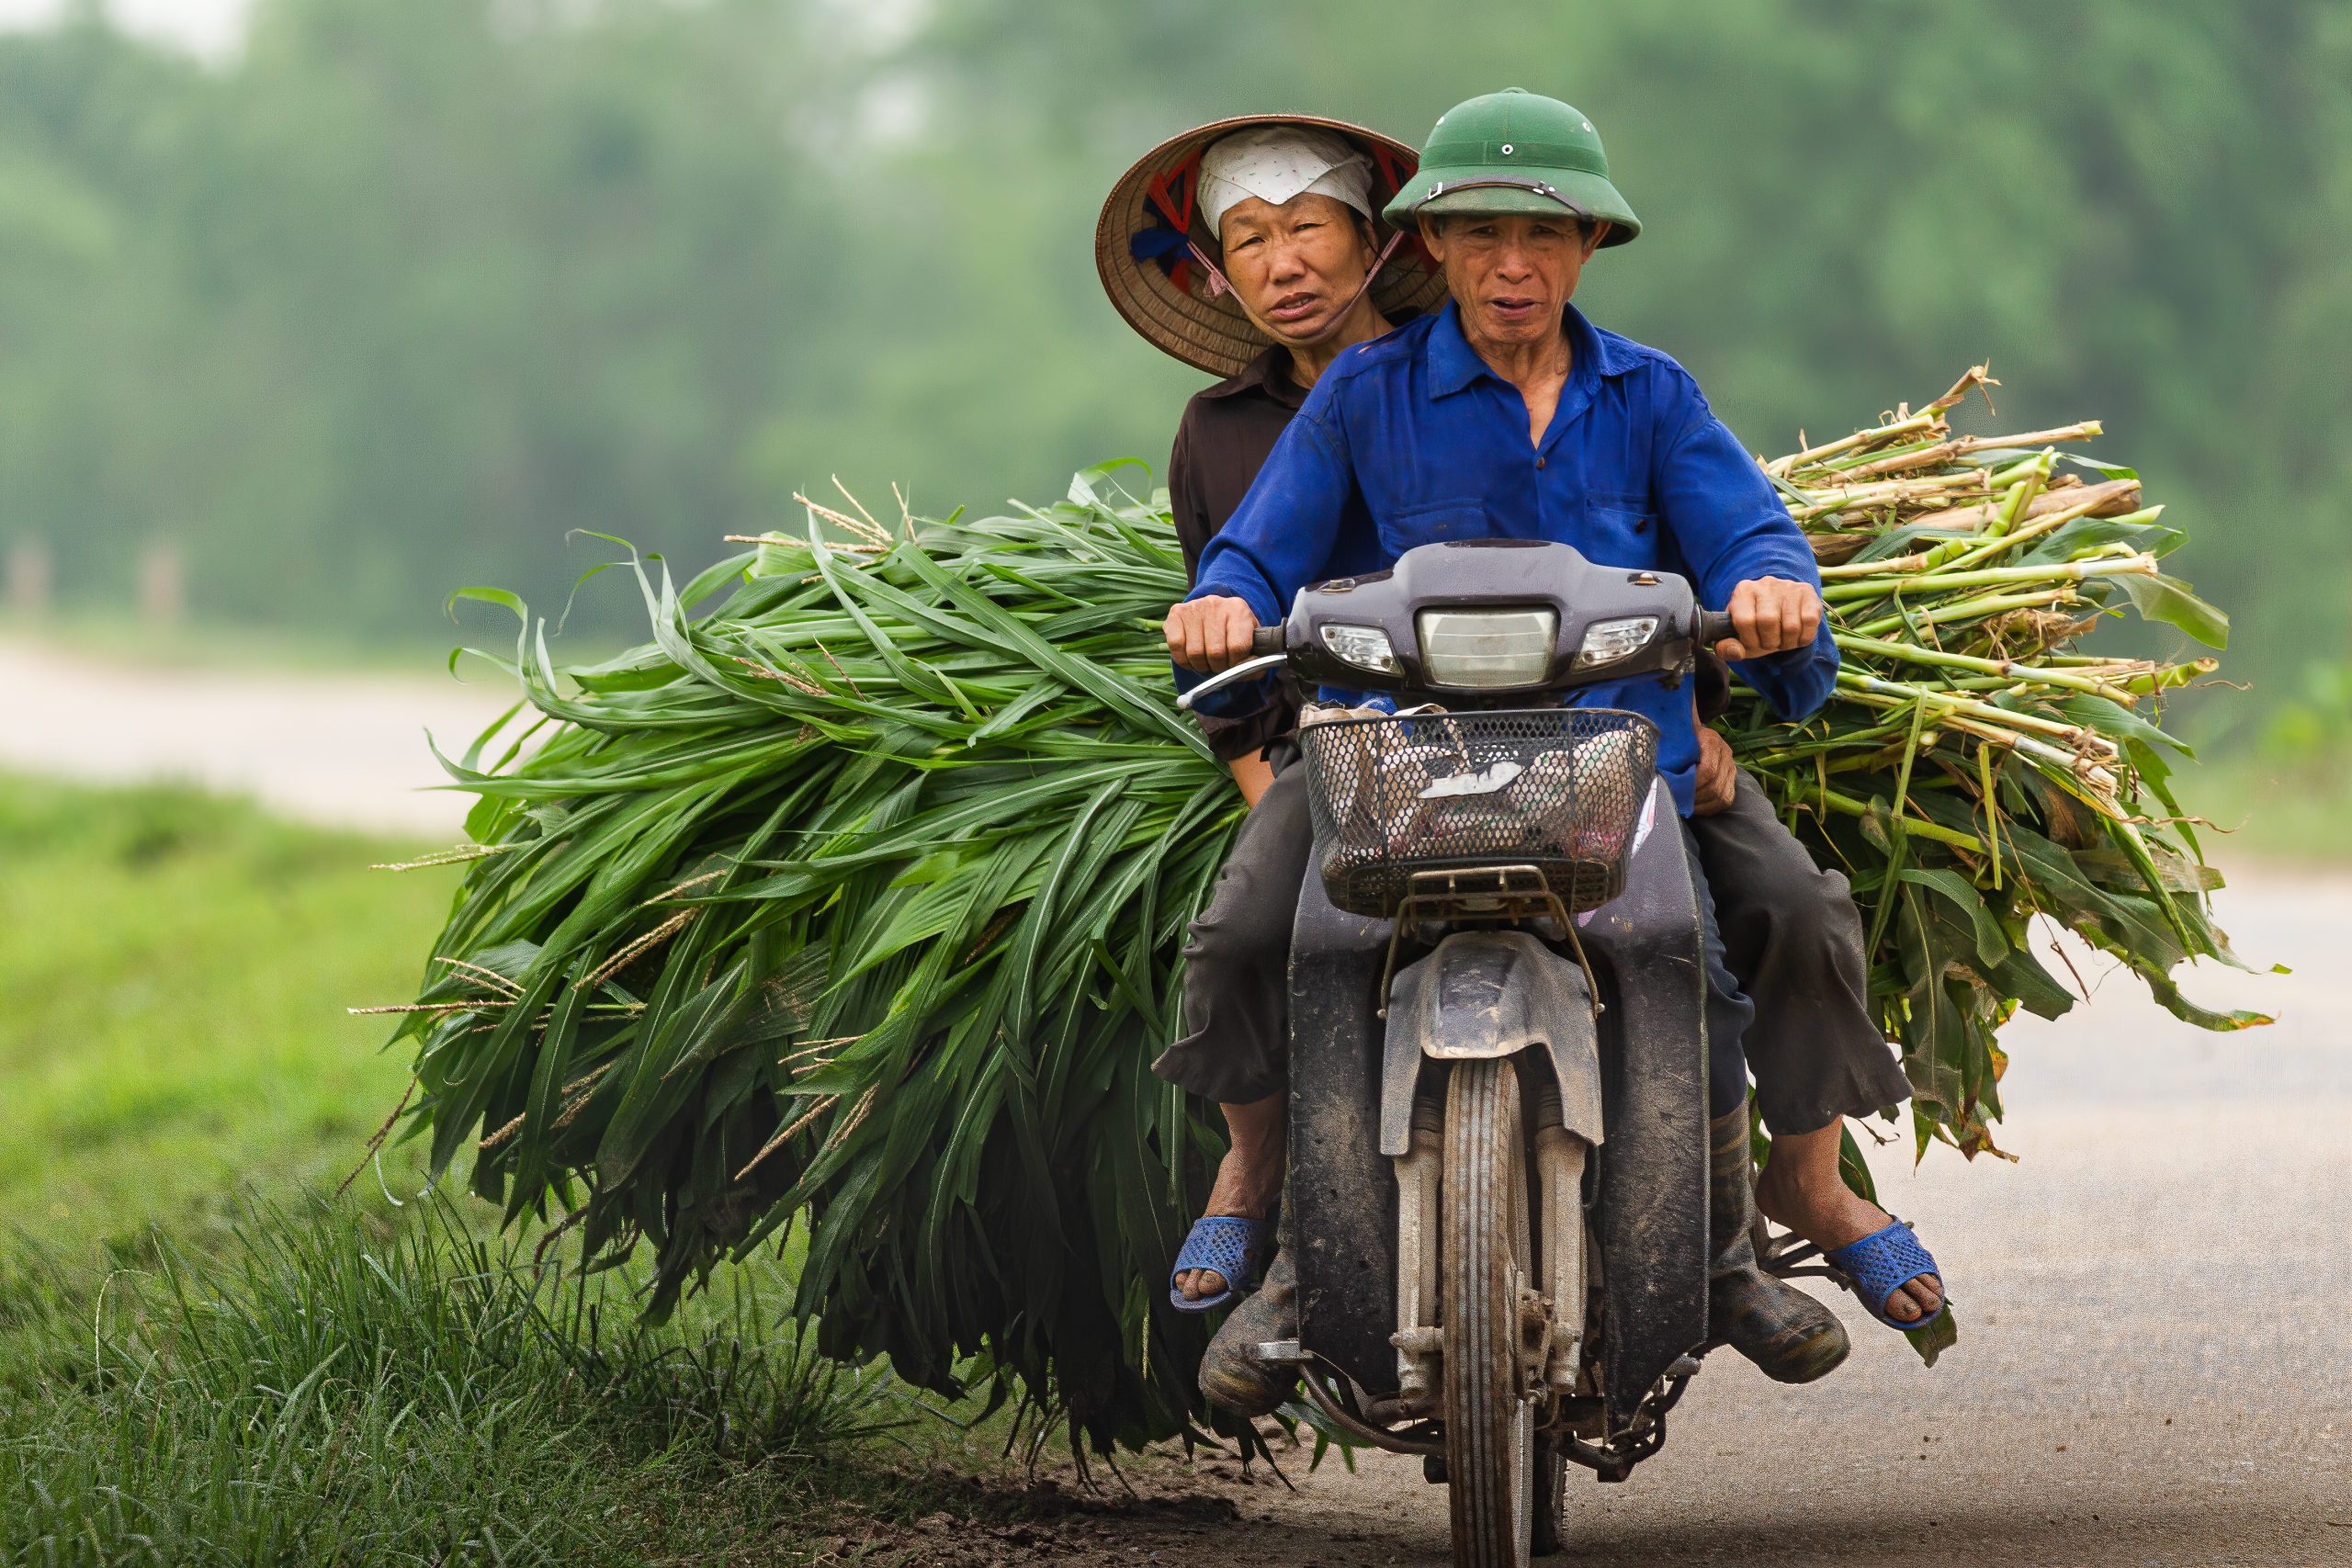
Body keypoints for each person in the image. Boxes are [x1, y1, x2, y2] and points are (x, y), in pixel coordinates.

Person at [1160, 89, 1946, 1414]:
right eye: (1479, 238)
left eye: (1540, 236)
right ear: (1436, 252)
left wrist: (1766, 592)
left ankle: (1745, 1233)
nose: (1509, 266)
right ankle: (1301, 1250)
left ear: (1588, 246)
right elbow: (1263, 541)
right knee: (1253, 941)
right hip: (1393, 756)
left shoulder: (1649, 393)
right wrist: (1227, 594)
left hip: (1618, 761)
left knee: (1782, 923)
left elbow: (1748, 532)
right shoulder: (1366, 393)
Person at [1095, 116, 1448, 1356]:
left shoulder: (1462, 382)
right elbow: (1222, 638)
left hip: (1505, 732)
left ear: (1371, 241)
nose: (1283, 262)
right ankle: (1253, 1166)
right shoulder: (1217, 432)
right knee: (1246, 931)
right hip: (1328, 749)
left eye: (1307, 229)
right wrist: (1264, 779)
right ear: (1220, 273)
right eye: (1250, 241)